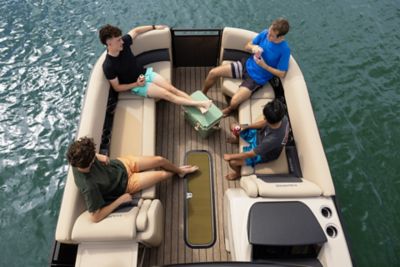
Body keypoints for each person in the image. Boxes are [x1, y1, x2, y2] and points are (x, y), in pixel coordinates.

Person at [67, 137, 199, 222]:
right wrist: (120, 200)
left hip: (122, 164)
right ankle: (178, 172)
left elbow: (90, 153)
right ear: (88, 163)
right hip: (126, 184)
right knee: (163, 175)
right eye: (92, 159)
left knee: (159, 160)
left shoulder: (77, 158)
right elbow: (95, 217)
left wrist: (100, 156)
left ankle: (180, 171)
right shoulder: (89, 186)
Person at [99, 24, 212, 113]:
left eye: (121, 38)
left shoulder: (124, 44)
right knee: (167, 95)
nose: (122, 41)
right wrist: (137, 84)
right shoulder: (108, 66)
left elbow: (136, 31)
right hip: (137, 85)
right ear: (109, 44)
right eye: (118, 40)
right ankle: (201, 104)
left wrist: (154, 27)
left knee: (173, 89)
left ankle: (199, 105)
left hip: (145, 73)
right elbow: (117, 87)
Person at [202, 18, 290, 116]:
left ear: (280, 37)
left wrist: (265, 66)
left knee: (234, 101)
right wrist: (252, 48)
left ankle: (230, 109)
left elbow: (282, 73)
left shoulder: (284, 50)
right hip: (245, 65)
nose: (268, 36)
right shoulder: (265, 33)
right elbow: (247, 45)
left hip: (256, 79)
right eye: (269, 32)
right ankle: (203, 94)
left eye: (271, 36)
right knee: (213, 73)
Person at [223, 99, 289, 180]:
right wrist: (246, 127)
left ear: (268, 120)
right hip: (259, 136)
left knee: (232, 162)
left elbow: (251, 154)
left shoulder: (272, 139)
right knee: (234, 126)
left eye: (265, 116)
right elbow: (263, 123)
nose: (263, 117)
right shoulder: (282, 118)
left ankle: (238, 174)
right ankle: (237, 140)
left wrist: (230, 156)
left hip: (264, 154)